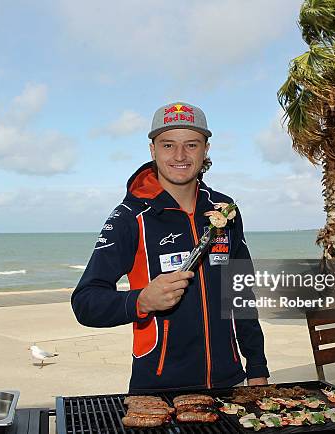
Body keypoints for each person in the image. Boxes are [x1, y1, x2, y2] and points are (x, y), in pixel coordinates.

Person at [71, 102, 269, 393]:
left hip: (230, 383)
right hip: (158, 389)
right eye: (168, 145)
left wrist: (257, 367)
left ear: (206, 149)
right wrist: (140, 301)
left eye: (191, 144)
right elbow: (85, 302)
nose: (179, 155)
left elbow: (241, 293)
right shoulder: (130, 217)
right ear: (153, 150)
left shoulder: (224, 210)